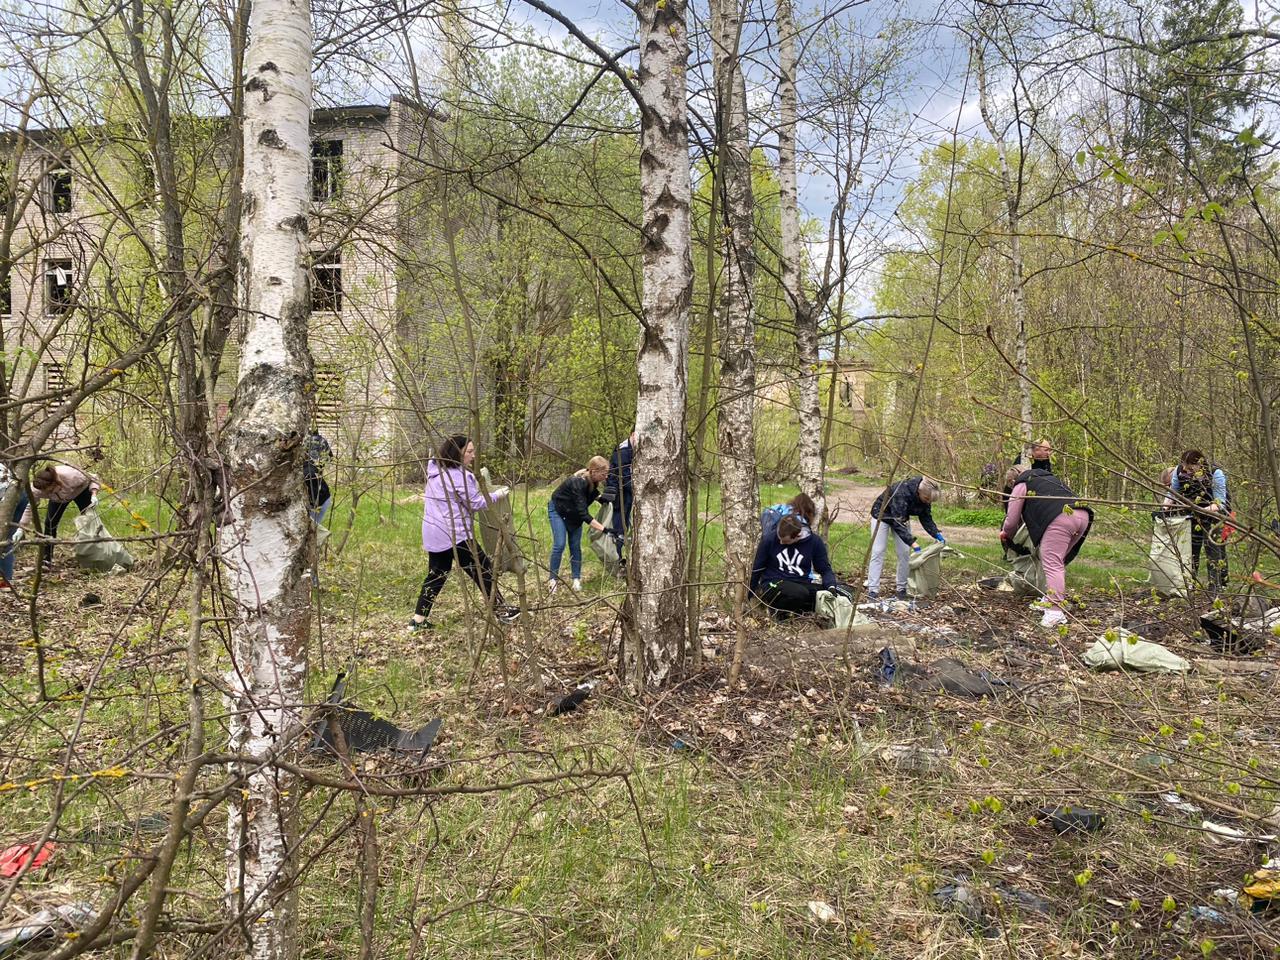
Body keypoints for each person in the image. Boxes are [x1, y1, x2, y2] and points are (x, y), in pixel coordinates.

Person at [410, 435, 517, 632]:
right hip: (455, 533)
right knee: (482, 569)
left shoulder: (435, 469)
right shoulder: (459, 476)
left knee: (437, 574)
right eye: (469, 452)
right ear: (456, 453)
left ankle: (418, 620)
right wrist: (498, 494)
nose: (473, 456)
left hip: (433, 532)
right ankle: (502, 610)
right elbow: (476, 503)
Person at [1000, 466, 1093, 628]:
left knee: (1052, 563)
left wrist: (1006, 533)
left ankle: (1055, 611)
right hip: (1083, 515)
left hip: (1061, 517)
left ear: (1012, 481)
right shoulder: (1048, 478)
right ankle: (1049, 599)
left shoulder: (1021, 484)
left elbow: (1012, 519)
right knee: (1057, 561)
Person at [866, 476, 944, 602]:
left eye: (930, 501)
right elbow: (897, 522)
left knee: (904, 553)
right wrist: (912, 542)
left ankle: (901, 588)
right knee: (878, 551)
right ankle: (873, 590)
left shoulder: (925, 497)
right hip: (882, 515)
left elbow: (925, 517)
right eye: (926, 499)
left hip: (902, 517)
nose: (927, 502)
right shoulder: (902, 491)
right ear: (919, 492)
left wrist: (936, 533)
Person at [750, 515, 843, 618]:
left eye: (785, 542)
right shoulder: (769, 540)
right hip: (774, 583)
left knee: (836, 596)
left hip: (801, 583)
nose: (780, 542)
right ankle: (780, 615)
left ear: (797, 536)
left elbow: (825, 569)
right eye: (779, 538)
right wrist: (749, 594)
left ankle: (798, 610)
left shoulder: (814, 542)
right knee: (799, 593)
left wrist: (830, 586)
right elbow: (757, 569)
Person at [1166, 449, 1229, 593]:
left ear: (1199, 464)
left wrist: (1201, 509)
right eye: (1184, 466)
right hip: (1190, 518)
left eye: (1190, 468)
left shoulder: (1215, 474)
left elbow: (1220, 503)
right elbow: (1172, 493)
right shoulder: (1178, 472)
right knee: (1190, 552)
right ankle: (1189, 585)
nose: (1186, 470)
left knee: (1213, 552)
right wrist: (1163, 508)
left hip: (1214, 518)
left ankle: (1216, 586)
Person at [547, 456, 611, 593]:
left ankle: (576, 580)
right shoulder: (578, 483)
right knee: (559, 544)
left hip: (574, 516)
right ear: (594, 471)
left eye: (606, 474)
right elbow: (584, 514)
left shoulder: (592, 482)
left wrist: (604, 500)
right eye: (603, 474)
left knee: (575, 547)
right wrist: (604, 529)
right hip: (559, 510)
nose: (605, 477)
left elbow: (593, 493)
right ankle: (552, 581)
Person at [30, 462, 99, 568]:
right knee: (50, 523)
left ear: (54, 483)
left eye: (49, 490)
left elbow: (94, 478)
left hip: (80, 490)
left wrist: (94, 494)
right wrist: (21, 526)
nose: (46, 493)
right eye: (45, 492)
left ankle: (96, 554)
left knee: (90, 520)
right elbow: (29, 507)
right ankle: (46, 559)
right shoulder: (37, 488)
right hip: (58, 498)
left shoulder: (72, 475)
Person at [604, 430, 635, 561]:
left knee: (624, 527)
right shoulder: (623, 451)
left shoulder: (631, 449)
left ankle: (620, 558)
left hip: (627, 495)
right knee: (619, 527)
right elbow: (625, 479)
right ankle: (616, 559)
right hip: (620, 497)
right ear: (633, 434)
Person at [0, 460, 28, 589]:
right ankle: (5, 580)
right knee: (6, 538)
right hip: (17, 493)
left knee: (4, 539)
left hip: (10, 498)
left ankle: (4, 581)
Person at [304, 430, 333, 525]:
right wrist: (321, 465)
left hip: (310, 473)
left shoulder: (305, 440)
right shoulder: (323, 440)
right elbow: (330, 457)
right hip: (316, 472)